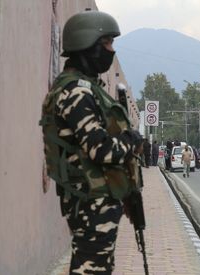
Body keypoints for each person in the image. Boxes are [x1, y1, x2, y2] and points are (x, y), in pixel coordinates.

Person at [40, 10, 141, 274]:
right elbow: (101, 150)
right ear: (87, 45)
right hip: (91, 200)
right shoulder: (75, 91)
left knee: (97, 267)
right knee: (91, 268)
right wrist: (132, 140)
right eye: (106, 43)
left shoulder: (85, 87)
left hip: (96, 197)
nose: (111, 50)